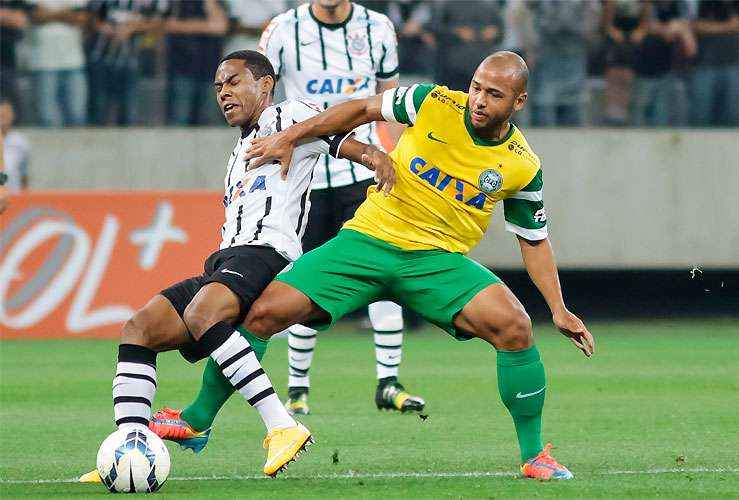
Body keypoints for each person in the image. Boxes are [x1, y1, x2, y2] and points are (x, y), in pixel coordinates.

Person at [241, 51, 595, 480]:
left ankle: (534, 455)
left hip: (437, 263)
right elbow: (361, 108)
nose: (479, 100)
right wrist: (291, 136)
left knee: (516, 326)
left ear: (518, 102)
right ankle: (197, 420)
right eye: (476, 87)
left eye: (494, 94)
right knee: (261, 312)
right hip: (368, 241)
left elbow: (533, 240)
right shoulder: (433, 102)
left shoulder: (522, 165)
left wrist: (558, 308)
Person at [77, 49, 396, 483]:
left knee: (203, 313)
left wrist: (373, 157)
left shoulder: (290, 115)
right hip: (227, 257)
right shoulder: (238, 151)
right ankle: (131, 448)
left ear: (265, 85)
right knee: (140, 328)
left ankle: (282, 424)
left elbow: (336, 135)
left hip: (267, 252)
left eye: (233, 82)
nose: (223, 93)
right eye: (218, 87)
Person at [150, 0, 423, 430]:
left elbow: (386, 103)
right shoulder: (281, 29)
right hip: (301, 176)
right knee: (290, 295)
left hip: (359, 173)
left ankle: (387, 380)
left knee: (382, 275)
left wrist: (384, 155)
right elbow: (258, 89)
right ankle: (296, 391)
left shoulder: (380, 28)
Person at [86, 0, 164, 125]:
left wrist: (133, 27)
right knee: (99, 110)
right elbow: (89, 17)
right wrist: (108, 28)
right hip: (101, 57)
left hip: (131, 59)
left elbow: (158, 22)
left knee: (129, 112)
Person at [163, 0, 229, 125]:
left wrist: (183, 26)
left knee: (210, 122)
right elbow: (168, 24)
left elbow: (219, 26)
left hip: (210, 69)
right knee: (179, 122)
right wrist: (204, 26)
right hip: (181, 68)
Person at [27, 0, 90, 127]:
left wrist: (49, 14)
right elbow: (34, 16)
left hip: (73, 62)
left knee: (77, 115)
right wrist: (65, 14)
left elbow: (82, 18)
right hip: (43, 62)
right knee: (47, 117)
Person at [0, 99, 31, 192]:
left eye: (5, 115)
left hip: (13, 197)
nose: (2, 119)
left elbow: (24, 174)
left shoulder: (20, 142)